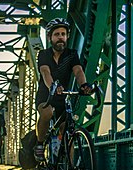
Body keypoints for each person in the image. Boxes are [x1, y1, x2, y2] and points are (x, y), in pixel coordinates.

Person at [34, 17, 93, 162]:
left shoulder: (71, 54)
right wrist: (53, 86)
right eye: (56, 34)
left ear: (67, 36)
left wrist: (84, 85)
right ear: (50, 37)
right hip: (46, 95)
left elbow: (78, 71)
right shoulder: (44, 54)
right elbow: (45, 72)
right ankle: (39, 144)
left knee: (66, 131)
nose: (60, 37)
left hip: (62, 96)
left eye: (63, 34)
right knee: (47, 113)